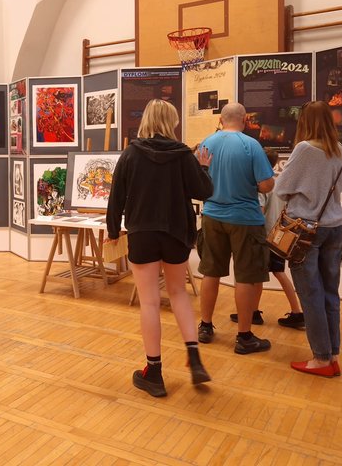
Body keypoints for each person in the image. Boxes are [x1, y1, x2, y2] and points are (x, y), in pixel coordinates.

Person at [106, 99, 214, 398]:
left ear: (146, 120)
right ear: (172, 122)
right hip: (176, 233)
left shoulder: (131, 154)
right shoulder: (184, 155)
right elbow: (204, 191)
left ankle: (153, 372)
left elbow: (116, 196)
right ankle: (193, 355)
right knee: (178, 293)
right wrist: (204, 167)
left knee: (150, 302)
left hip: (142, 233)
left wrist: (113, 231)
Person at [274, 100, 342, 377]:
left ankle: (321, 358)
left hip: (305, 229)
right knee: (330, 292)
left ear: (305, 121)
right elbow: (339, 185)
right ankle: (332, 353)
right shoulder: (339, 149)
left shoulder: (304, 149)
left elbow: (281, 189)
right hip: (333, 226)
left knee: (310, 293)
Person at [196, 102, 275, 354]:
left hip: (212, 216)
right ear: (244, 119)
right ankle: (244, 336)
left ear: (221, 119)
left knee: (210, 272)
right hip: (245, 219)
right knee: (246, 277)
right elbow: (266, 185)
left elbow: (198, 179)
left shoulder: (206, 142)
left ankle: (205, 326)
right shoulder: (251, 145)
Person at [229, 147, 304, 328]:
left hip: (264, 236)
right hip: (278, 235)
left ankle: (256, 312)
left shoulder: (261, 187)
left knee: (259, 275)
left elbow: (259, 212)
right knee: (275, 273)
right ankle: (292, 312)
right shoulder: (278, 182)